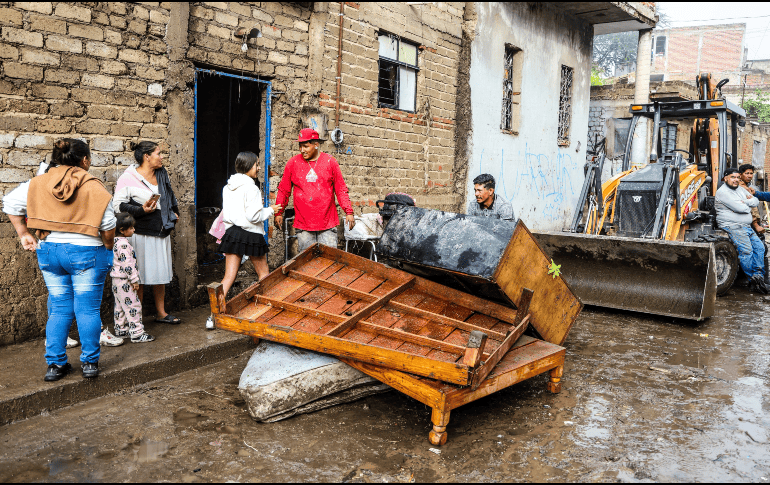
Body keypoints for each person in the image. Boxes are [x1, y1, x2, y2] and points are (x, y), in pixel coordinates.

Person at [3, 138, 116, 381]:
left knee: (60, 308)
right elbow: (108, 226)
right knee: (87, 310)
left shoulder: (38, 182)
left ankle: (55, 366)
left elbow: (10, 202)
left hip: (50, 252)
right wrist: (108, 248)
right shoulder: (94, 186)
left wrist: (23, 233)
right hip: (86, 253)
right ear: (84, 160)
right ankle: (89, 364)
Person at [113, 141, 181, 324]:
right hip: (140, 233)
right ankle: (137, 316)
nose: (162, 157)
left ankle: (161, 312)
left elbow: (169, 195)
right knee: (139, 275)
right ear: (146, 157)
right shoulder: (128, 177)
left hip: (161, 231)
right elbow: (118, 205)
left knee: (160, 274)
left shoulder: (161, 173)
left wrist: (174, 212)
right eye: (159, 153)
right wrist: (142, 210)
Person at [213, 152, 281, 319]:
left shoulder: (227, 187)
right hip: (251, 235)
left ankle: (214, 314)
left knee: (228, 276)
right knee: (264, 274)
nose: (258, 168)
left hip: (233, 233)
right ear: (250, 166)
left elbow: (227, 214)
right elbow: (254, 216)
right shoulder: (251, 188)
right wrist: (272, 210)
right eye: (257, 165)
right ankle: (266, 311)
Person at [273, 129, 355, 252]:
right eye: (300, 146)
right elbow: (284, 190)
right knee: (307, 265)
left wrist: (348, 211)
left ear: (316, 145)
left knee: (329, 263)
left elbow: (340, 189)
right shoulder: (293, 163)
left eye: (306, 146)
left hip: (327, 224)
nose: (302, 150)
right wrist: (278, 213)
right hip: (303, 225)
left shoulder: (330, 162)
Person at [715, 168, 767, 293]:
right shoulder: (722, 192)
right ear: (725, 178)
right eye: (733, 177)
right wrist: (745, 203)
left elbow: (755, 201)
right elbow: (741, 208)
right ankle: (753, 280)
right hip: (733, 225)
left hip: (746, 226)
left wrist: (746, 201)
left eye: (738, 177)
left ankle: (758, 276)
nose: (736, 180)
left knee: (760, 248)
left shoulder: (740, 189)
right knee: (747, 251)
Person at [111, 213, 155, 343]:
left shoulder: (114, 242)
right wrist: (135, 280)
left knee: (119, 305)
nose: (134, 230)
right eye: (131, 228)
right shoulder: (123, 245)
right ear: (122, 230)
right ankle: (137, 333)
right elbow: (128, 264)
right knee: (133, 305)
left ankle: (121, 329)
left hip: (116, 279)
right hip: (125, 280)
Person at [738, 163, 764, 234]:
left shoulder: (747, 186)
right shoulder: (741, 187)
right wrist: (756, 225)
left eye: (751, 173)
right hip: (744, 221)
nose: (749, 176)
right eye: (747, 173)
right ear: (740, 175)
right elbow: (752, 206)